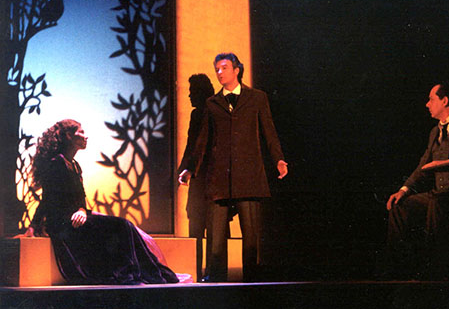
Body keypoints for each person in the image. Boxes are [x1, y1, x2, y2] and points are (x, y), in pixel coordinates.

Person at [179, 53, 288, 282]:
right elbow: (202, 140)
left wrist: (278, 159)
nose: (220, 72)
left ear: (236, 70)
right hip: (219, 178)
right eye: (217, 69)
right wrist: (190, 169)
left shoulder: (257, 98)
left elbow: (269, 131)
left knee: (251, 238)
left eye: (224, 68)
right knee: (216, 239)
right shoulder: (212, 103)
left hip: (249, 176)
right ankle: (215, 281)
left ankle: (251, 282)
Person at [28, 119, 179, 285]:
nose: (86, 136)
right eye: (81, 132)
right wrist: (35, 224)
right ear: (69, 136)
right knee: (120, 226)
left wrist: (82, 210)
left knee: (125, 225)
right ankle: (127, 273)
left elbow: (80, 198)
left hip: (78, 217)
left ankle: (147, 272)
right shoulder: (56, 163)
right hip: (64, 223)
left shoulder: (74, 165)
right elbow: (48, 199)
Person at [385, 83, 449, 278]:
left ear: (444, 100)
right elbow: (423, 165)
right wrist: (404, 189)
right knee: (401, 206)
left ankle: (434, 269)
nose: (427, 104)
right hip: (440, 193)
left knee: (437, 203)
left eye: (431, 99)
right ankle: (397, 269)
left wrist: (447, 163)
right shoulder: (435, 132)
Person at [176, 73, 219, 281]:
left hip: (209, 178)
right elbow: (191, 146)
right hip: (200, 177)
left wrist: (186, 169)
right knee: (198, 225)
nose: (190, 96)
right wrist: (183, 170)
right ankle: (201, 270)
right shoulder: (198, 115)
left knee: (209, 226)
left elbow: (197, 147)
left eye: (193, 92)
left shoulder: (212, 113)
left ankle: (209, 271)